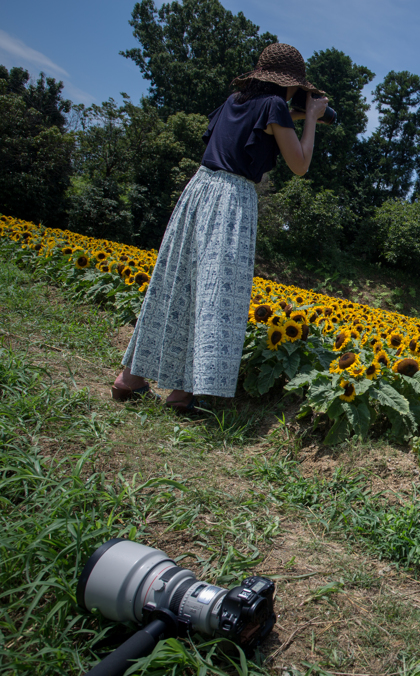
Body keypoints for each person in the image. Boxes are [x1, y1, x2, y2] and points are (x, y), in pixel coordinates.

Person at [110, 43, 328, 413]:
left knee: (176, 282)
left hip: (199, 188)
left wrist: (296, 111)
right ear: (291, 84)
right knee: (217, 293)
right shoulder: (275, 107)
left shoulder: (236, 101)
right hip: (233, 198)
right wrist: (311, 119)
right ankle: (184, 394)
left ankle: (130, 378)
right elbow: (300, 164)